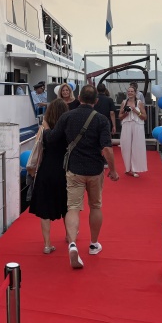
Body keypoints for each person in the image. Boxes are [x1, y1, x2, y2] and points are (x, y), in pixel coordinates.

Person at [43, 84, 119, 269]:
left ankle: (72, 243)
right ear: (96, 101)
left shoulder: (67, 116)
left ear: (79, 98)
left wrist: (45, 128)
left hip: (74, 169)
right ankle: (93, 244)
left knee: (73, 207)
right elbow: (107, 149)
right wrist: (113, 171)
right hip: (95, 170)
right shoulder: (101, 119)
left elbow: (52, 138)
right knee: (95, 206)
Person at [29, 99, 70, 254]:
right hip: (65, 169)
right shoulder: (68, 128)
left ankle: (47, 244)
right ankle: (69, 236)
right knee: (67, 205)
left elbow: (37, 146)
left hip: (46, 169)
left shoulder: (44, 128)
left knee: (45, 207)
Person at [119, 86, 148, 176]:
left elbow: (144, 117)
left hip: (137, 125)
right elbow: (120, 117)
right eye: (129, 91)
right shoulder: (124, 102)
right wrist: (126, 113)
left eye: (132, 91)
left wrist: (135, 110)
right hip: (126, 125)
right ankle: (128, 168)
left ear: (135, 93)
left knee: (137, 146)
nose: (130, 93)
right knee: (125, 146)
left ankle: (135, 169)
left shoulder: (139, 103)